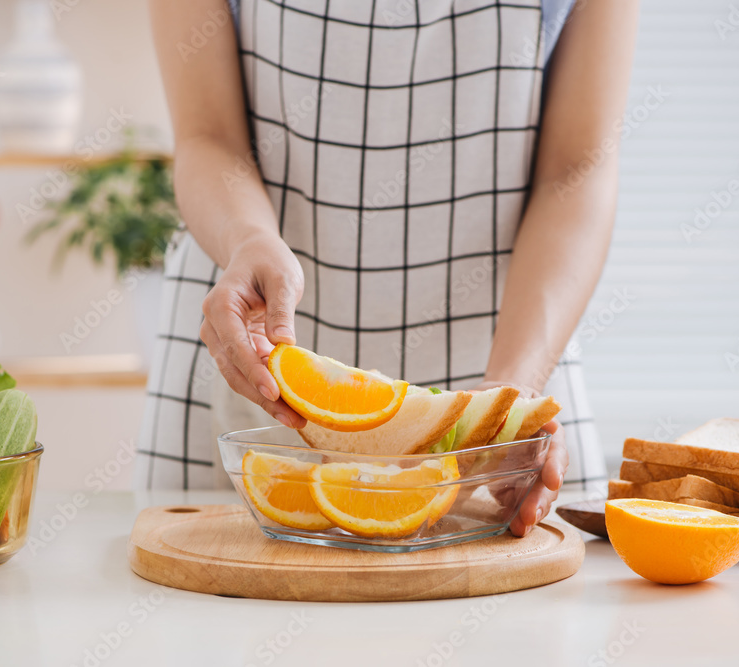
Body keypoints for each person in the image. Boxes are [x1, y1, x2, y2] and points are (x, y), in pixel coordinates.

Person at [137, 0, 638, 537]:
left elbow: (576, 168)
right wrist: (248, 238)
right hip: (249, 352)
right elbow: (207, 135)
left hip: (512, 347)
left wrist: (503, 408)